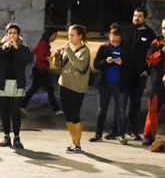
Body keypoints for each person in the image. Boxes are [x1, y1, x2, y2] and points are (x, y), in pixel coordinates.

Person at [0, 24, 32, 149]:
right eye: (10, 33)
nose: (12, 35)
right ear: (6, 34)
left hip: (17, 83)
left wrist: (16, 48)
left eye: (14, 33)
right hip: (3, 83)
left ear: (18, 35)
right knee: (5, 111)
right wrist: (2, 48)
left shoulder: (23, 48)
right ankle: (6, 136)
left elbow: (28, 59)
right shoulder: (0, 46)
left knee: (15, 111)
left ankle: (17, 137)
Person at [55, 24, 92, 153]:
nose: (69, 38)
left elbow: (80, 66)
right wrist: (57, 57)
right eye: (69, 35)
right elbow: (60, 66)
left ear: (80, 36)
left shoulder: (84, 51)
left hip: (77, 87)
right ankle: (74, 141)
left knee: (74, 115)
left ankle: (78, 144)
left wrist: (68, 51)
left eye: (72, 35)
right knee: (67, 116)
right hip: (64, 84)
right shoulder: (68, 48)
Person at [92, 25, 129, 141]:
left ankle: (121, 134)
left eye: (118, 42)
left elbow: (131, 67)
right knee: (102, 109)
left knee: (121, 110)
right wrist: (105, 61)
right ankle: (98, 134)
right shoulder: (103, 48)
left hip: (119, 84)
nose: (115, 44)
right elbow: (96, 64)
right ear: (109, 37)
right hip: (104, 84)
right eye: (113, 41)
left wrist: (122, 63)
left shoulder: (125, 49)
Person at [22, 27, 61, 114]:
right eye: (54, 35)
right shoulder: (43, 43)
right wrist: (50, 58)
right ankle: (56, 109)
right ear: (49, 35)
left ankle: (22, 105)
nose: (55, 37)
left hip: (41, 69)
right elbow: (40, 57)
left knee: (36, 89)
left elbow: (35, 52)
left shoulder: (44, 43)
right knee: (49, 89)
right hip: (41, 70)